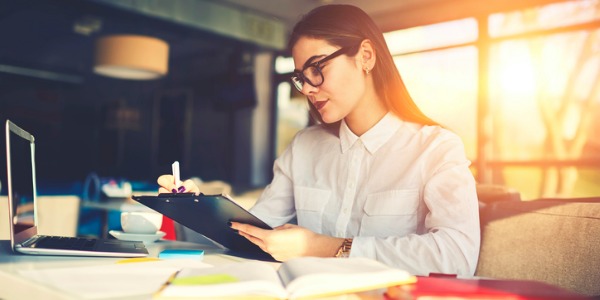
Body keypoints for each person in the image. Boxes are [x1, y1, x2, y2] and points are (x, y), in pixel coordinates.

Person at [158, 4, 480, 276]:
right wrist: (196, 206)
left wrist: (321, 247)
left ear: (365, 56)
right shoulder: (304, 148)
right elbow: (256, 231)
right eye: (301, 76)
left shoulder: (436, 148)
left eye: (317, 68)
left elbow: (457, 256)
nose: (308, 89)